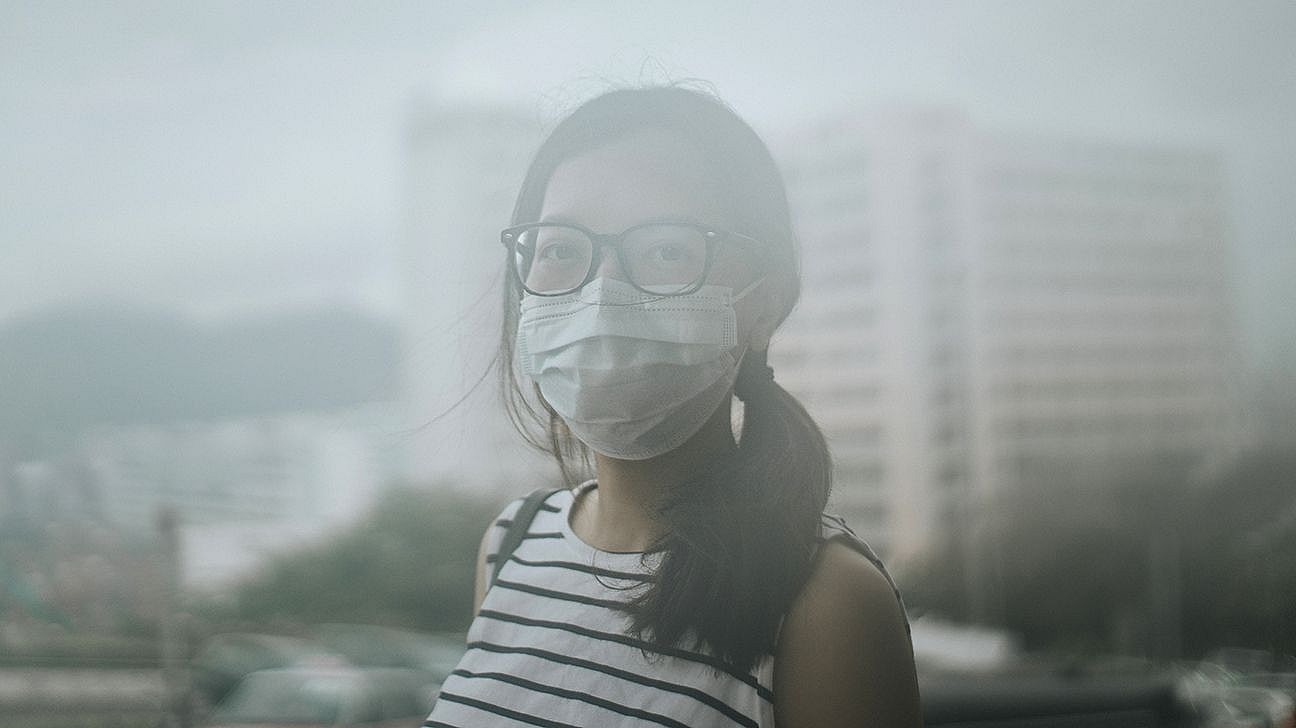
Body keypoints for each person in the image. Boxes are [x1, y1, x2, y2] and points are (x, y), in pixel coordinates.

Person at [424, 86, 922, 728]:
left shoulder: (826, 601)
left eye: (666, 249)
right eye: (559, 249)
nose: (602, 297)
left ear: (765, 305)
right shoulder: (510, 543)